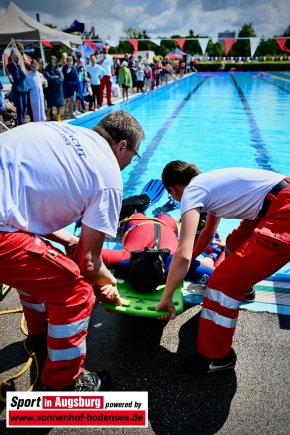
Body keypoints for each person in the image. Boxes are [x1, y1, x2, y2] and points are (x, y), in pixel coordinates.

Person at [0, 110, 145, 392]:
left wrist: (65, 238)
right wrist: (109, 282)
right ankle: (66, 382)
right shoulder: (108, 174)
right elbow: (89, 263)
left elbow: (18, 201)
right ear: (122, 146)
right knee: (76, 291)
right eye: (134, 156)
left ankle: (40, 337)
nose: (130, 163)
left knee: (39, 266)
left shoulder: (57, 129)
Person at [156, 160, 290, 376]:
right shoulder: (208, 185)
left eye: (172, 195)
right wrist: (188, 261)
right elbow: (207, 235)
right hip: (276, 202)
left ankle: (217, 358)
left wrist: (167, 296)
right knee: (235, 242)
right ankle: (245, 287)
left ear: (172, 189)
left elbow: (182, 251)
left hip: (284, 213)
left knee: (221, 285)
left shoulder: (191, 192)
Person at [101, 213, 226, 293]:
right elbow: (221, 277)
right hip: (163, 224)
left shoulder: (176, 263)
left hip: (138, 222)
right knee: (163, 215)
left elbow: (88, 259)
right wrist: (223, 251)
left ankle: (151, 214)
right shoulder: (177, 262)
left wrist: (106, 280)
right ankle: (162, 215)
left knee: (138, 215)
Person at [6, 49, 28, 125]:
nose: (16, 57)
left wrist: (18, 65)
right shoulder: (9, 66)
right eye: (14, 56)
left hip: (24, 88)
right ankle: (21, 123)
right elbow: (17, 77)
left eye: (17, 56)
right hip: (17, 89)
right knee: (20, 108)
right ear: (11, 56)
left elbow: (24, 75)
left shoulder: (20, 64)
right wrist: (15, 66)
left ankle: (23, 121)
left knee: (25, 107)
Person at [44, 56, 64, 122]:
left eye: (54, 62)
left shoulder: (58, 69)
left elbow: (62, 78)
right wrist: (57, 77)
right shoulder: (47, 69)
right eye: (52, 62)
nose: (53, 63)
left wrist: (55, 80)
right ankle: (47, 118)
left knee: (59, 104)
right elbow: (49, 78)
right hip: (51, 89)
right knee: (49, 105)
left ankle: (58, 117)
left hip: (58, 89)